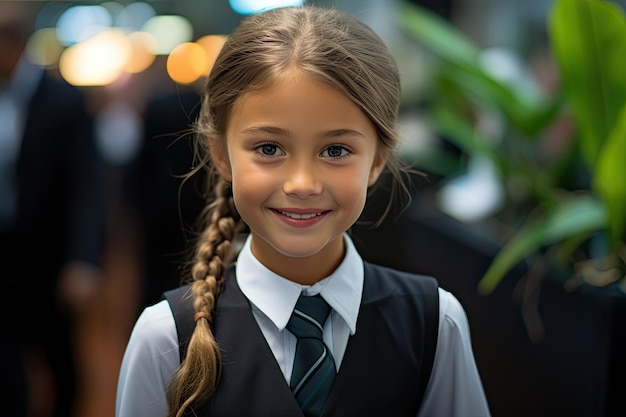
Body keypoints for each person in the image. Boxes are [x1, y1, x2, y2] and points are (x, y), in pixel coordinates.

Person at [116, 5, 490, 417]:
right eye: (269, 149)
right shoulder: (165, 337)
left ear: (378, 160)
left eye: (335, 150)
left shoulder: (435, 324)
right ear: (221, 154)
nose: (302, 184)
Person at [0, 3, 106, 417]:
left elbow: (87, 186)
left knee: (62, 366)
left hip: (49, 258)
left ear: (16, 45)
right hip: (2, 254)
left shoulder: (61, 101)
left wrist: (83, 259)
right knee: (7, 372)